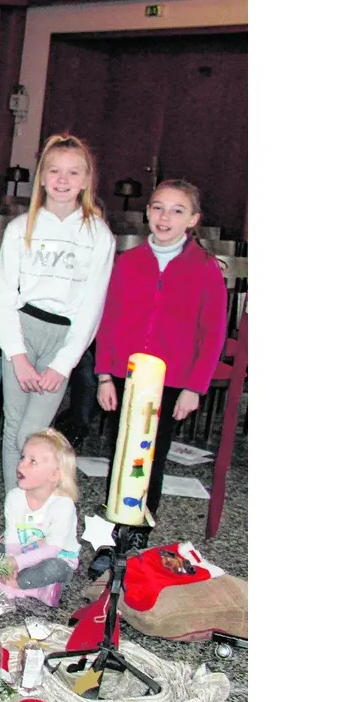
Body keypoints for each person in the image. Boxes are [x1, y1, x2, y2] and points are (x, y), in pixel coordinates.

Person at [89, 180, 228, 571]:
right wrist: (104, 376)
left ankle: (137, 528)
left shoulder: (204, 268)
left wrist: (194, 388)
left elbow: (212, 332)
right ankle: (114, 525)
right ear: (147, 212)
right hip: (125, 376)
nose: (165, 217)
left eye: (177, 210)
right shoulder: (128, 262)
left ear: (193, 220)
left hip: (171, 382)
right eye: (158, 208)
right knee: (120, 451)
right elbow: (110, 320)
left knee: (153, 455)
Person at [0, 134, 115, 492]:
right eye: (55, 171)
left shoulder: (98, 235)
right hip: (22, 329)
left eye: (73, 173)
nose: (63, 180)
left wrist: (63, 364)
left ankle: (34, 504)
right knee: (14, 425)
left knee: (32, 431)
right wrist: (16, 354)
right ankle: (15, 510)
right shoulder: (20, 229)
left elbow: (92, 306)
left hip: (62, 338)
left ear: (86, 180)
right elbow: (3, 295)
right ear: (42, 177)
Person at [0, 429, 81, 608]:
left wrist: (16, 563)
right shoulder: (15, 497)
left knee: (55, 568)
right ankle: (31, 588)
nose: (21, 465)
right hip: (22, 555)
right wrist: (10, 562)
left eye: (32, 462)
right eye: (23, 457)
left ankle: (15, 586)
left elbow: (52, 550)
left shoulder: (63, 505)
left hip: (55, 559)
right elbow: (12, 538)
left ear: (55, 475)